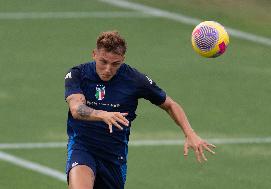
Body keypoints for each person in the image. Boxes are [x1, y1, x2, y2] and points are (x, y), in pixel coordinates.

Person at [64, 31, 216, 189]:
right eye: (103, 61)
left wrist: (190, 133)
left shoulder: (135, 80)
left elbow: (170, 104)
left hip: (114, 157)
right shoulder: (77, 74)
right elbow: (76, 108)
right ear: (94, 54)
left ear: (123, 59)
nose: (108, 69)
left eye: (115, 64)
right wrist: (102, 114)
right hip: (82, 148)